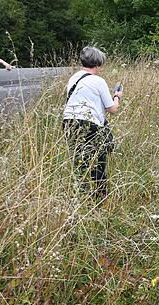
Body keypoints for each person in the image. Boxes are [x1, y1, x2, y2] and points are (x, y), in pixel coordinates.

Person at [62, 46, 122, 199]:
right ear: (98, 63)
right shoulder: (98, 81)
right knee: (98, 160)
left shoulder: (73, 78)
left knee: (79, 159)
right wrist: (117, 96)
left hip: (69, 121)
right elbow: (112, 109)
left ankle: (80, 194)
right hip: (89, 123)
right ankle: (101, 195)